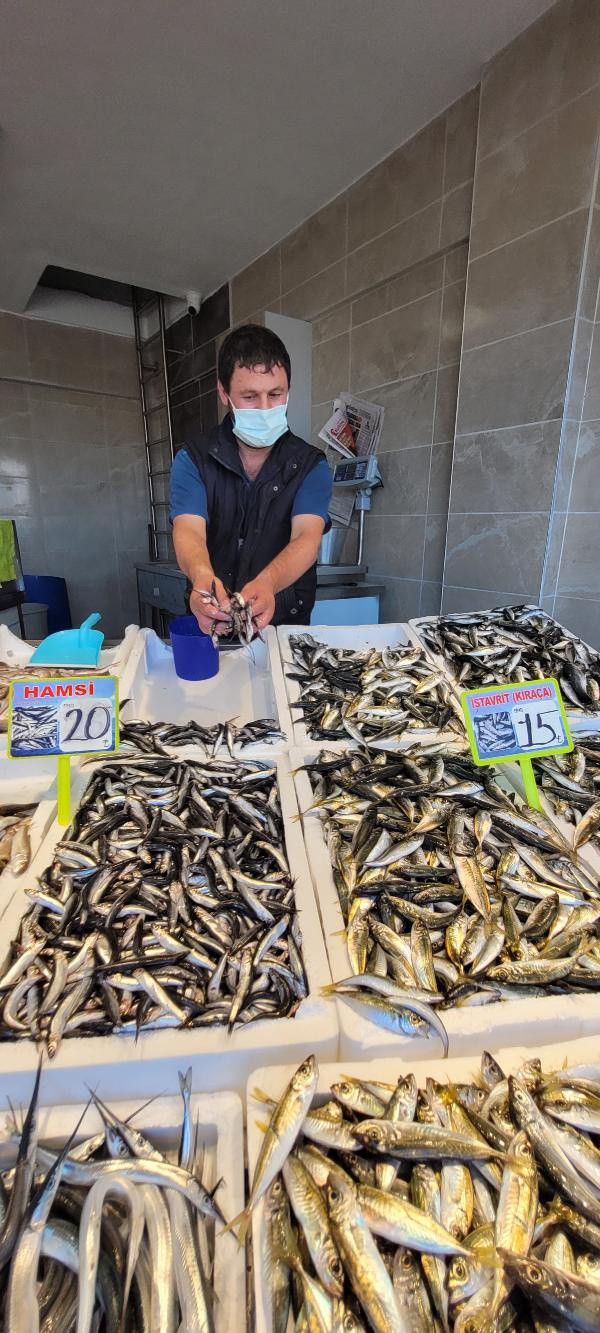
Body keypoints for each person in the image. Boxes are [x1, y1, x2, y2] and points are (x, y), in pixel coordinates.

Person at [170, 324, 332, 634]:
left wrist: (269, 581)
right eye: (249, 396)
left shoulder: (311, 466)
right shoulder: (193, 460)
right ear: (223, 393)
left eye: (275, 394)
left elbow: (306, 539)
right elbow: (188, 530)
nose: (265, 408)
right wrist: (202, 575)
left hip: (284, 623)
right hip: (212, 620)